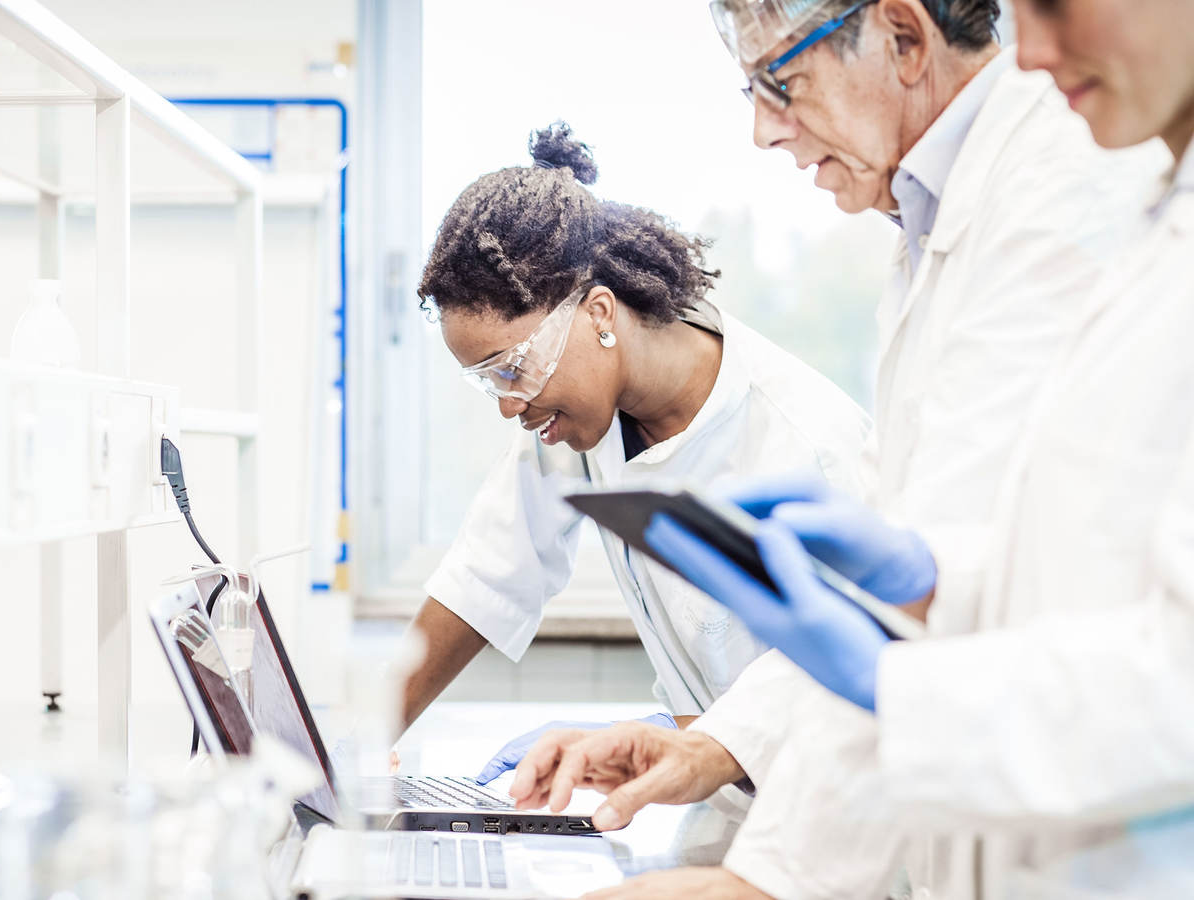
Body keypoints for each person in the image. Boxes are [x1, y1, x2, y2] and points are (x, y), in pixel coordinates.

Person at [516, 0, 1194, 897]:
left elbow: (1160, 670)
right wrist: (920, 577)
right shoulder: (945, 228)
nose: (762, 130)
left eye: (779, 84)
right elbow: (1058, 555)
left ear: (905, 38)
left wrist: (765, 879)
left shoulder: (1064, 189)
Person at [404, 122, 870, 784]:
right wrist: (347, 748)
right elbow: (485, 575)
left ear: (598, 313)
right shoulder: (575, 420)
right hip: (716, 805)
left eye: (510, 369)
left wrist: (680, 744)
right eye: (487, 383)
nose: (509, 405)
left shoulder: (808, 445)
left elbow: (850, 697)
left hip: (829, 835)